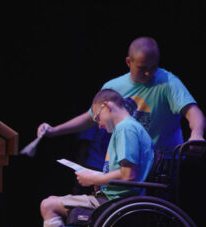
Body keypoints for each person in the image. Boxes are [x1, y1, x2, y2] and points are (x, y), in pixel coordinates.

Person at [9, 89, 155, 227]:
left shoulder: (125, 129)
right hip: (114, 199)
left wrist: (94, 179)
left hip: (116, 203)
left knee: (48, 205)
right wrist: (94, 175)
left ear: (107, 106)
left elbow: (129, 175)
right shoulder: (129, 128)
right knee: (52, 200)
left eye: (97, 118)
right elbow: (125, 173)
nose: (99, 125)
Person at [38, 36, 205, 157]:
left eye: (153, 67)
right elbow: (90, 118)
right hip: (130, 159)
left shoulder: (168, 82)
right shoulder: (113, 87)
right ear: (128, 62)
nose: (148, 73)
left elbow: (193, 111)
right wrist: (54, 131)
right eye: (142, 67)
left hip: (162, 163)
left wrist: (196, 134)